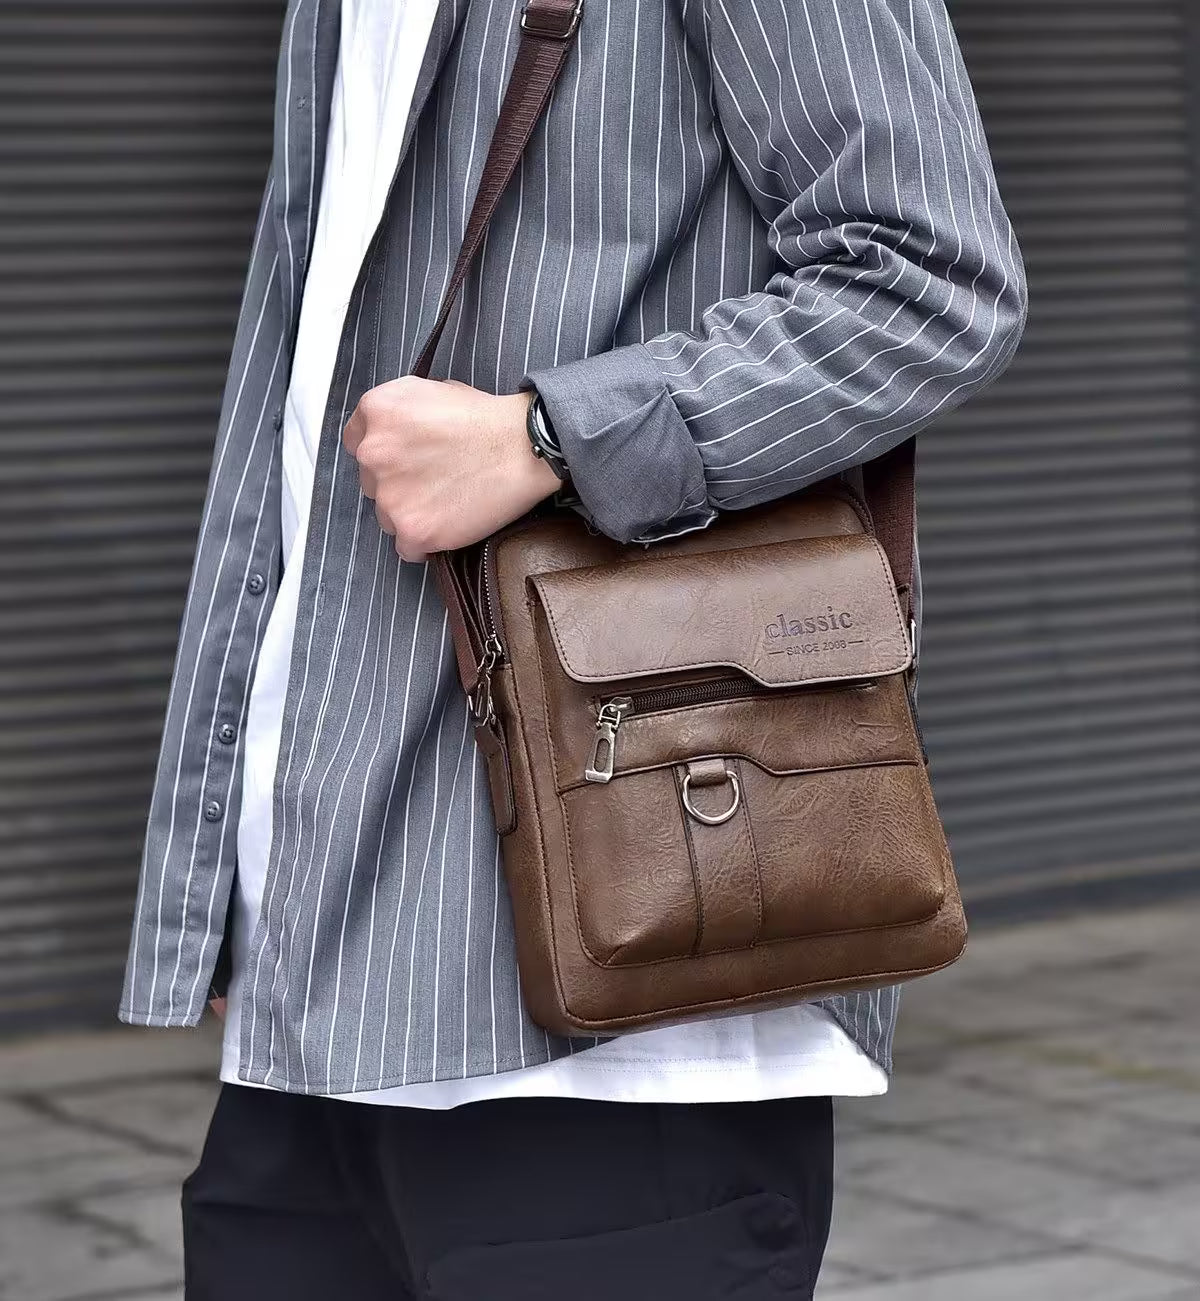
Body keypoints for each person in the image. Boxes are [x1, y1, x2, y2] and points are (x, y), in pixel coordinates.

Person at [121, 1, 1026, 1296]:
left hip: (627, 1022)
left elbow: (931, 279)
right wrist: (227, 886)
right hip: (318, 1010)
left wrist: (552, 436)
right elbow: (308, 408)